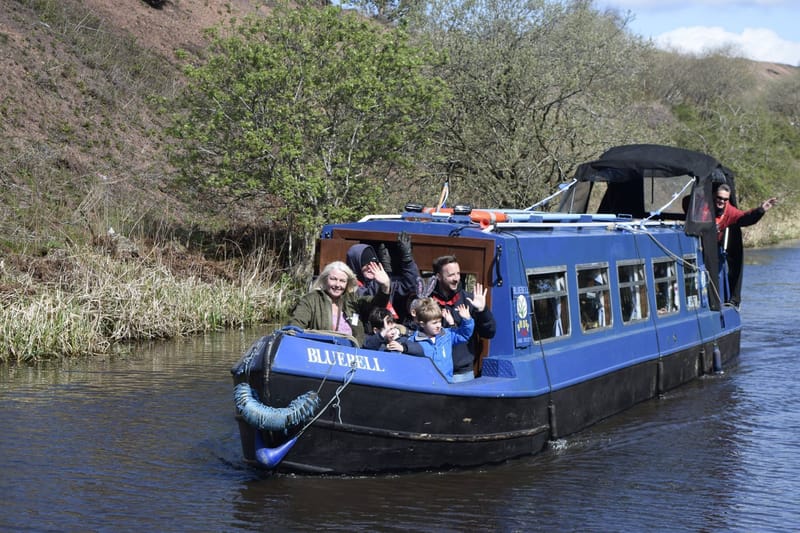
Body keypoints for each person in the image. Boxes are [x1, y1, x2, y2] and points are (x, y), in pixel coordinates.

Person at [288, 260, 390, 346]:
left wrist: (385, 286)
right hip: (320, 354)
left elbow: (377, 305)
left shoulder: (353, 301)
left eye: (342, 281)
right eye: (333, 279)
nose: (337, 284)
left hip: (352, 356)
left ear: (347, 283)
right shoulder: (311, 300)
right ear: (325, 280)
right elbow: (295, 326)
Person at [429, 255, 496, 381]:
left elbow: (489, 332)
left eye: (458, 274)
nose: (456, 279)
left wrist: (482, 311)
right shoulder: (428, 301)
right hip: (433, 371)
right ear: (438, 277)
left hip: (461, 374)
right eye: (451, 275)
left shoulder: (469, 300)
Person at [346, 232, 421, 323]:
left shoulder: (381, 281)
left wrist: (407, 259)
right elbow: (370, 301)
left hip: (390, 329)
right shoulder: (349, 286)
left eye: (374, 263)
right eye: (365, 264)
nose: (371, 267)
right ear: (356, 265)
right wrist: (384, 281)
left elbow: (411, 285)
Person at [404, 297, 474, 382]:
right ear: (422, 324)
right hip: (426, 384)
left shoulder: (446, 335)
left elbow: (464, 335)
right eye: (434, 323)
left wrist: (467, 320)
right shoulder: (414, 341)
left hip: (447, 382)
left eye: (439, 321)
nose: (438, 325)